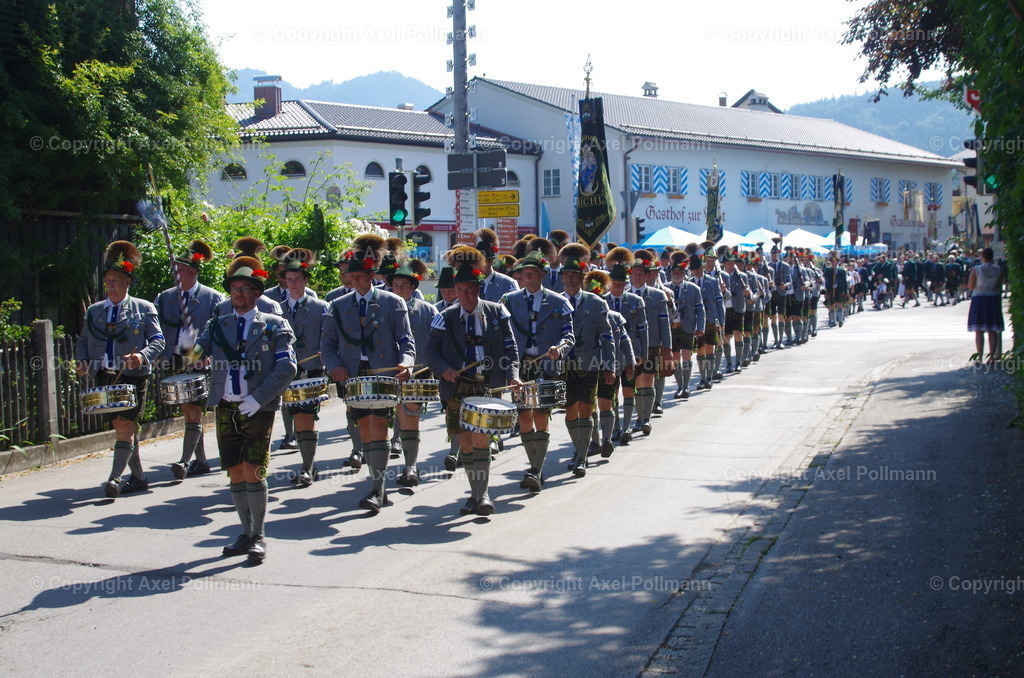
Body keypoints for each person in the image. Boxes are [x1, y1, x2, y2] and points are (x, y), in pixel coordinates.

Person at [190, 255, 296, 563]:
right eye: (235, 288)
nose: (238, 293)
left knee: (254, 469)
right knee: (235, 470)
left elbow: (287, 367)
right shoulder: (216, 324)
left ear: (257, 293)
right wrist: (190, 347)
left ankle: (259, 534)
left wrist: (259, 398)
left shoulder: (274, 325)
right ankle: (244, 531)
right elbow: (196, 354)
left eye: (245, 288)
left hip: (257, 408)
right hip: (225, 406)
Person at [321, 233, 416, 514]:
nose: (356, 281)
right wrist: (334, 365)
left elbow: (406, 341)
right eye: (352, 277)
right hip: (353, 374)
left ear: (371, 275)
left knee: (379, 426)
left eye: (361, 276)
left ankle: (377, 489)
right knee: (365, 429)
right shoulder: (338, 306)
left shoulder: (392, 302)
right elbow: (326, 344)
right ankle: (378, 486)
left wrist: (407, 363)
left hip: (383, 372)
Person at [425, 248, 520, 515]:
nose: (466, 294)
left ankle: (483, 495)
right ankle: (475, 493)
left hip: (487, 384)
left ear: (479, 288)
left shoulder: (498, 312)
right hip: (457, 385)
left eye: (471, 289)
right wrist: (443, 369)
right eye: (461, 289)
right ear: (455, 289)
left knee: (481, 438)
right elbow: (430, 350)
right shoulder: (444, 316)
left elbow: (511, 347)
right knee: (465, 441)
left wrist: (513, 374)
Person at [76, 241, 165, 498]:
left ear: (127, 282)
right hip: (105, 374)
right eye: (108, 280)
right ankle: (138, 477)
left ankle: (115, 479)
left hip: (133, 376)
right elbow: (83, 341)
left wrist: (141, 355)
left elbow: (158, 341)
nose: (111, 284)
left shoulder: (144, 307)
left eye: (116, 279)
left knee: (126, 425)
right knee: (120, 426)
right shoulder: (94, 311)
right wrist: (82, 361)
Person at [501, 251, 574, 491]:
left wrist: (560, 349)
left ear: (542, 274)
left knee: (542, 415)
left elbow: (569, 336)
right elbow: (500, 332)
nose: (527, 277)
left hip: (547, 365)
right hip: (521, 366)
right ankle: (534, 464)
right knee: (524, 416)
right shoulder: (509, 300)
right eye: (523, 274)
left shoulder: (558, 301)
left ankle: (536, 469)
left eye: (532, 273)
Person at [154, 239, 223, 480]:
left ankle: (184, 461)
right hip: (175, 359)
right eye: (176, 269)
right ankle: (201, 461)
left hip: (200, 360)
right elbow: (156, 330)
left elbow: (221, 332)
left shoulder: (213, 298)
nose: (178, 274)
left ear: (193, 272)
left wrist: (210, 357)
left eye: (182, 270)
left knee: (194, 410)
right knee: (189, 412)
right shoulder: (164, 298)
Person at [558, 249, 614, 476]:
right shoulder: (555, 302)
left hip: (589, 363)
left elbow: (607, 336)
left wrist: (609, 365)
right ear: (562, 278)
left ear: (582, 278)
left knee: (585, 407)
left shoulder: (596, 302)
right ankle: (578, 447)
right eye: (567, 275)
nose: (570, 279)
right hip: (563, 367)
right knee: (570, 411)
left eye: (574, 275)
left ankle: (581, 457)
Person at [279, 249, 329, 487]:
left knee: (306, 416)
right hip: (286, 371)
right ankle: (308, 461)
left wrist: (323, 355)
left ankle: (306, 467)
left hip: (312, 370)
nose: (294, 283)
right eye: (289, 279)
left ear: (306, 280)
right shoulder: (276, 309)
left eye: (298, 279)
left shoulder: (322, 307)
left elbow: (329, 339)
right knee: (295, 416)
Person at [388, 259, 439, 487]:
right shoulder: (381, 307)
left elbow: (438, 341)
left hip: (418, 372)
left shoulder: (428, 310)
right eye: (396, 285)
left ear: (413, 288)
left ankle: (410, 467)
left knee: (410, 415)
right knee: (382, 417)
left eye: (404, 286)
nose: (399, 290)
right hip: (388, 372)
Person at [604, 247, 647, 443]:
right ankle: (615, 428)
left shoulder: (636, 301)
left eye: (621, 284)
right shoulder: (602, 301)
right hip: (610, 356)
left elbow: (642, 330)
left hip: (631, 353)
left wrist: (643, 355)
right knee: (612, 392)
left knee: (629, 390)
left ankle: (628, 426)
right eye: (615, 284)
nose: (618, 288)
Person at [628, 250, 671, 436]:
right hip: (630, 347)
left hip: (652, 344)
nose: (637, 276)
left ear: (647, 276)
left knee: (648, 379)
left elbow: (665, 323)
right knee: (636, 382)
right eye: (634, 273)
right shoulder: (625, 295)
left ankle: (645, 418)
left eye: (641, 273)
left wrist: (668, 348)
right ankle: (639, 417)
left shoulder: (658, 295)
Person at [666, 251, 705, 399]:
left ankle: (686, 386)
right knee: (675, 357)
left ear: (684, 273)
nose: (676, 274)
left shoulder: (693, 288)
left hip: (687, 326)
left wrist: (700, 327)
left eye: (679, 271)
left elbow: (700, 309)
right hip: (672, 328)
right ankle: (680, 386)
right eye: (674, 271)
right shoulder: (664, 288)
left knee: (686, 355)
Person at [967, 247, 1004, 364]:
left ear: (982, 256)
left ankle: (979, 357)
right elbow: (999, 285)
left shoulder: (976, 269)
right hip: (992, 298)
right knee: (992, 329)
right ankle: (992, 356)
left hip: (979, 297)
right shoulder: (998, 269)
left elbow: (971, 286)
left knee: (979, 329)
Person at [474, 228, 519, 302]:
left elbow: (516, 307)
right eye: (476, 262)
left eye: (482, 262)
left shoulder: (507, 283)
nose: (479, 266)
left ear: (491, 261)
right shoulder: (471, 283)